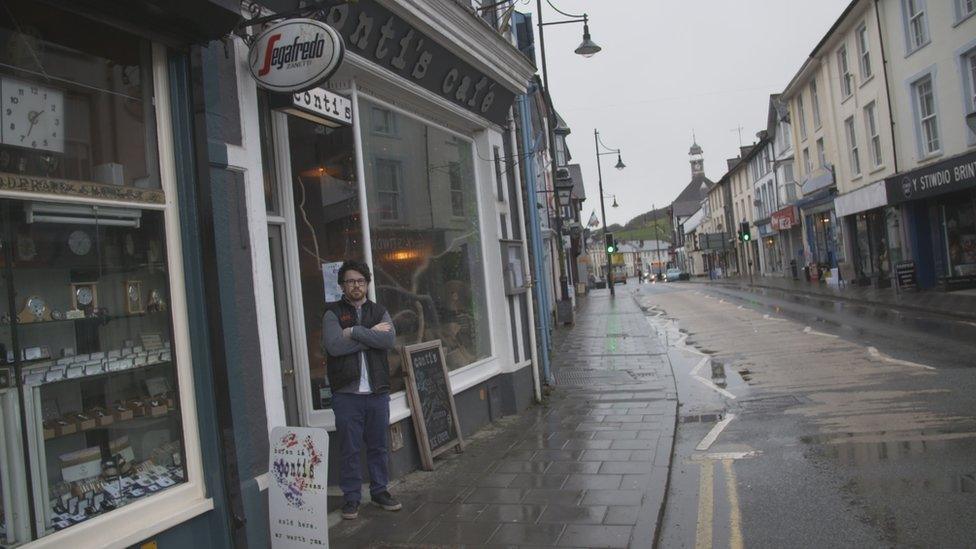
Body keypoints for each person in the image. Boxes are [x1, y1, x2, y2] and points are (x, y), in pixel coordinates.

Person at [322, 260, 401, 520]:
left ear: (367, 284)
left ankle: (380, 491)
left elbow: (388, 340)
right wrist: (370, 338)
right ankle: (352, 498)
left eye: (360, 281)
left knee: (379, 446)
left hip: (377, 393)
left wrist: (354, 331)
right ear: (342, 286)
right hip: (347, 395)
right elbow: (334, 347)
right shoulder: (332, 314)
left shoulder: (379, 311)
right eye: (350, 281)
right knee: (350, 449)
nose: (355, 285)